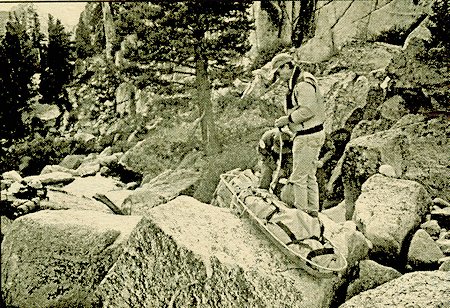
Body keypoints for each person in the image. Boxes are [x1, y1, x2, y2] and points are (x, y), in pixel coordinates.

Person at [269, 53, 325, 217]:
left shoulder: (302, 84)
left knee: (299, 178)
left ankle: (302, 216)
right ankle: (313, 212)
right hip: (313, 134)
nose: (279, 77)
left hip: (307, 136)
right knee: (309, 176)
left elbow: (308, 109)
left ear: (286, 66)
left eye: (279, 72)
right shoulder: (304, 79)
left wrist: (288, 119)